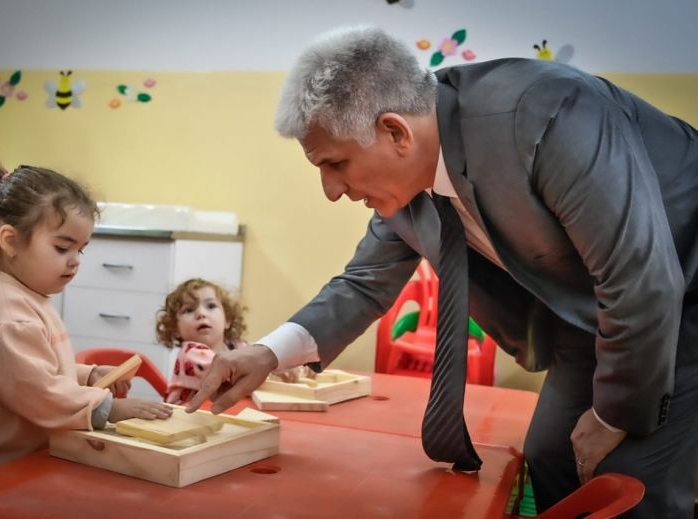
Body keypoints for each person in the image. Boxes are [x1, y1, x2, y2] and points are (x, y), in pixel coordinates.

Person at [186, 26, 698, 517]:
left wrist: (612, 416)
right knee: (552, 456)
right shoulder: (404, 195)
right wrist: (266, 353)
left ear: (395, 131)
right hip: (595, 316)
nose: (331, 190)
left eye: (335, 164)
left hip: (680, 297)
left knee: (627, 477)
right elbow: (363, 284)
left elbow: (641, 276)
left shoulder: (546, 114)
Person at [0, 162, 173, 485]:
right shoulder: (5, 311)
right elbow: (36, 390)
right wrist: (107, 408)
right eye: (62, 247)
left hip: (22, 468)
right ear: (10, 240)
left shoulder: (29, 295)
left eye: (80, 250)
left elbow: (39, 366)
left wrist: (89, 376)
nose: (74, 260)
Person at [157, 278, 309, 405]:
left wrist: (293, 366)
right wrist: (277, 371)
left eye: (210, 306)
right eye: (189, 310)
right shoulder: (190, 354)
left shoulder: (238, 346)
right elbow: (244, 374)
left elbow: (263, 359)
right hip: (182, 427)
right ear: (175, 328)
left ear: (227, 319)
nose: (201, 314)